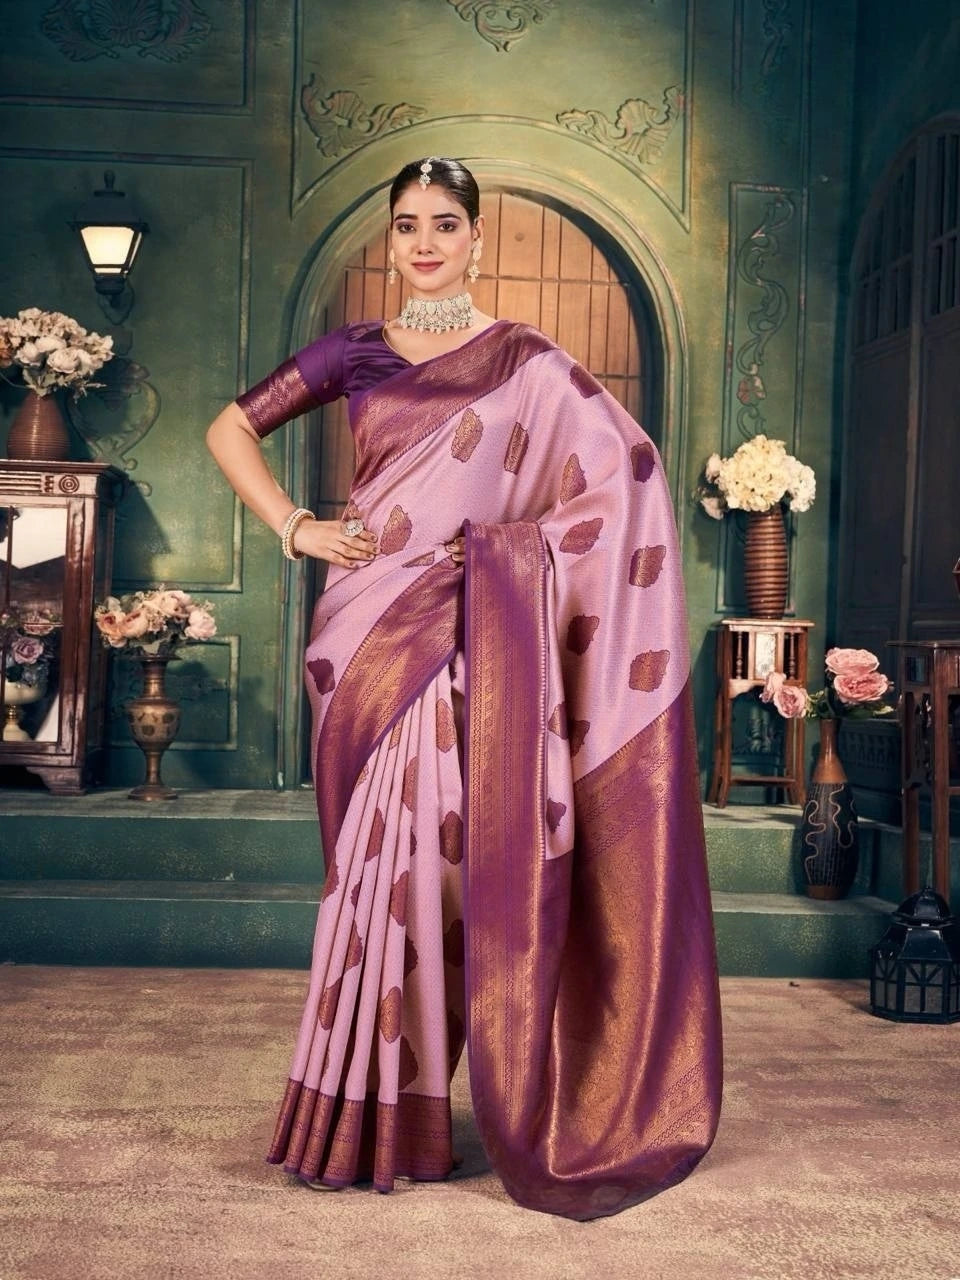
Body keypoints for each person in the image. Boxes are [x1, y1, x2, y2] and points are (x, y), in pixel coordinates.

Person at [206, 157, 722, 1221]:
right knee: (367, 867)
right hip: (360, 633)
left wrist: (496, 554)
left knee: (433, 852)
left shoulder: (525, 361)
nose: (426, 240)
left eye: (445, 223)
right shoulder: (353, 352)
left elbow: (624, 478)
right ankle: (363, 1105)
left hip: (471, 632)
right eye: (407, 226)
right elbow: (229, 427)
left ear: (478, 238)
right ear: (387, 243)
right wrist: (296, 528)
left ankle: (413, 1099)